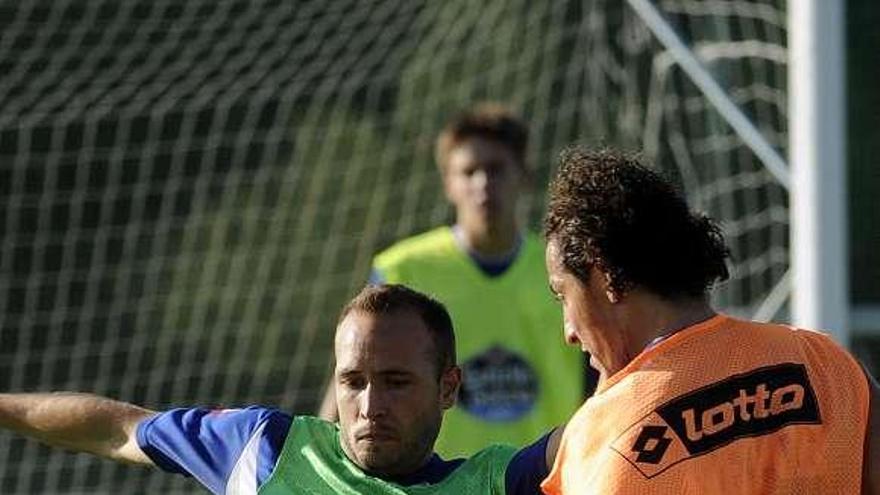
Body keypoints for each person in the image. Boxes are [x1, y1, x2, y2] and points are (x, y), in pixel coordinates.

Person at [539, 146, 880, 494]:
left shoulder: (605, 445)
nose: (569, 331)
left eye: (563, 294)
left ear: (605, 276)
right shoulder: (827, 365)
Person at [0, 284, 560, 494]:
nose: (369, 406)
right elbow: (117, 428)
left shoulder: (496, 483)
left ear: (447, 387)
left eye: (395, 382)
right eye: (353, 381)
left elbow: (606, 426)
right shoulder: (263, 448)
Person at [321, 104, 591, 458]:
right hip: (436, 482)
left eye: (496, 169)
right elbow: (352, 379)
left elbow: (599, 383)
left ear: (523, 175)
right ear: (448, 183)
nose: (483, 184)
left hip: (539, 479)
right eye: (469, 171)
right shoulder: (406, 269)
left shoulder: (565, 269)